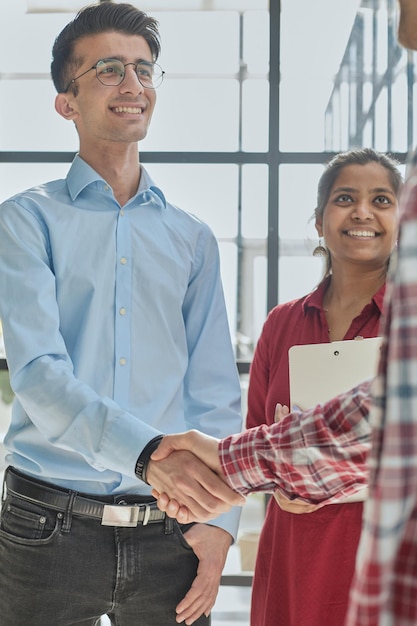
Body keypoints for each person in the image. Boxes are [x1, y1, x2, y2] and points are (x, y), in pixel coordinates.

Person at [0, 3, 245, 625]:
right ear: (66, 101)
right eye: (109, 69)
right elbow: (39, 375)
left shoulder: (193, 239)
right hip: (44, 531)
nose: (133, 85)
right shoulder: (26, 221)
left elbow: (214, 392)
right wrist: (148, 452)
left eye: (144, 69)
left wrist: (219, 523)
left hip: (173, 534)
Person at [149, 147, 403, 625]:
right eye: (345, 198)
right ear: (319, 221)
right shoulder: (281, 324)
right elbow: (256, 439)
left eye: (383, 200)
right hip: (296, 554)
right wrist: (270, 480)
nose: (363, 212)